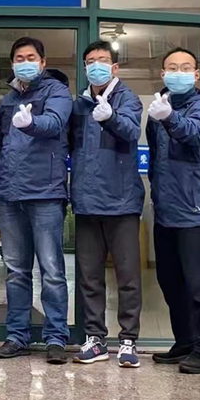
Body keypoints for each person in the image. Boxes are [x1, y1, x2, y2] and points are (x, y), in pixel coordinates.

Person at [0, 37, 73, 365]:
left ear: (42, 62)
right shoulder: (8, 100)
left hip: (45, 193)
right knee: (16, 271)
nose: (25, 62)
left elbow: (54, 123)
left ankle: (56, 337)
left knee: (51, 270)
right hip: (10, 195)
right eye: (19, 58)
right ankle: (17, 336)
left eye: (31, 57)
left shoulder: (57, 92)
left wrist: (32, 123)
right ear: (13, 64)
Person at [69, 40, 144, 367]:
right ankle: (95, 338)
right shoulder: (80, 104)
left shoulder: (128, 98)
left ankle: (128, 340)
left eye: (102, 60)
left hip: (121, 201)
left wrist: (111, 117)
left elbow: (130, 131)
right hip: (87, 201)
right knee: (89, 276)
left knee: (127, 276)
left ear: (114, 67)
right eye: (90, 61)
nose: (95, 66)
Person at [146, 47, 200, 374]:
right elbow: (155, 157)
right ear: (163, 74)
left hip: (195, 211)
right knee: (171, 282)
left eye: (185, 67)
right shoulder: (158, 108)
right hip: (166, 210)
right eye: (172, 67)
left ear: (196, 74)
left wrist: (170, 118)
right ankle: (185, 342)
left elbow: (195, 133)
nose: (179, 72)